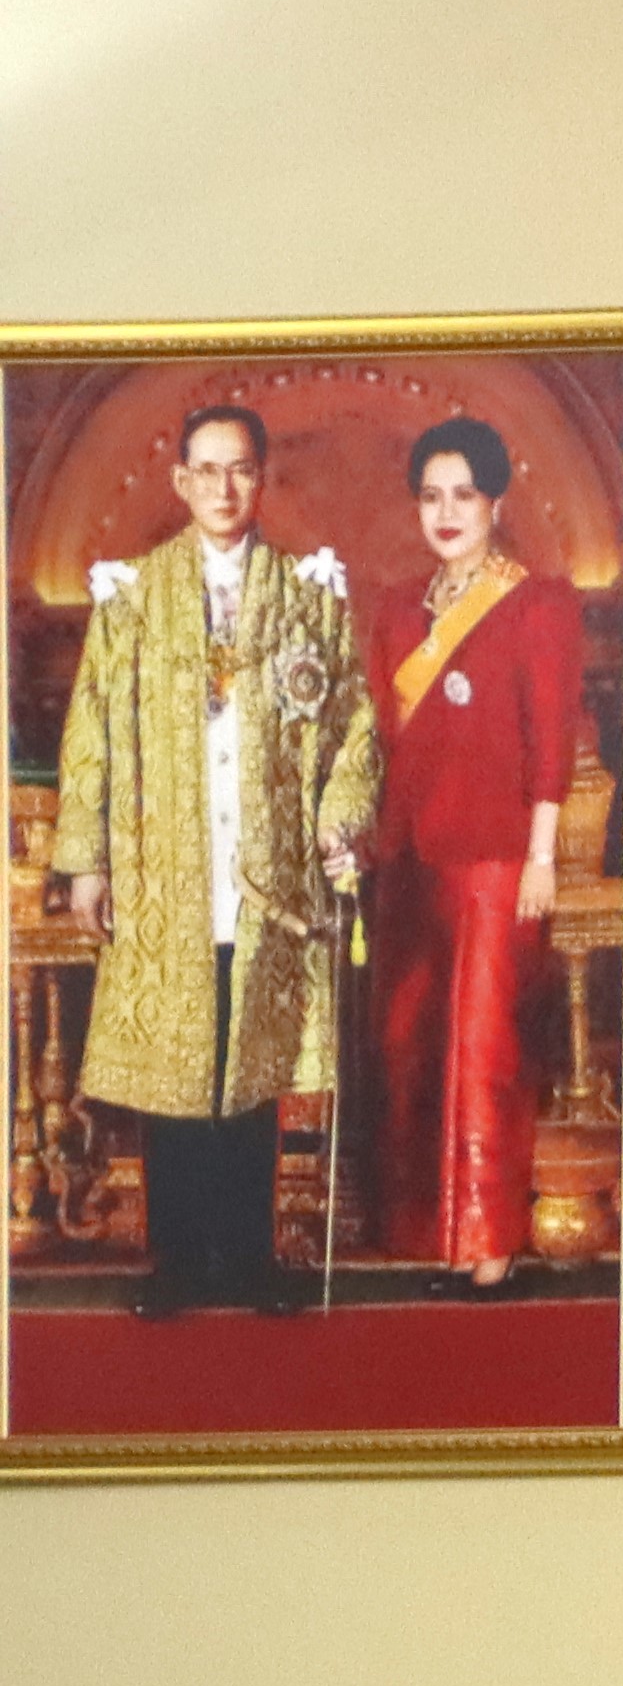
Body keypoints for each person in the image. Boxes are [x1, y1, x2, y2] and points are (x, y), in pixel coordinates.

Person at [43, 397, 371, 1315]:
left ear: (260, 479)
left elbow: (352, 725)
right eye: (208, 470)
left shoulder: (308, 595)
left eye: (241, 469)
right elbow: (91, 734)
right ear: (181, 480)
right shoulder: (134, 597)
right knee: (178, 1064)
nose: (224, 488)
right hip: (165, 867)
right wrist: (89, 861)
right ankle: (181, 1262)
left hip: (268, 872)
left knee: (251, 1060)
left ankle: (250, 1259)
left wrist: (339, 819)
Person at [361, 412, 588, 1288]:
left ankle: (486, 1242)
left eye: (464, 495)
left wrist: (542, 857)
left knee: (484, 1049)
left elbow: (549, 737)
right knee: (411, 1045)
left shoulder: (538, 604)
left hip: (496, 861)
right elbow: (380, 741)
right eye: (431, 496)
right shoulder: (396, 611)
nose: (447, 513)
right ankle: (426, 1234)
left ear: (495, 501)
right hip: (408, 859)